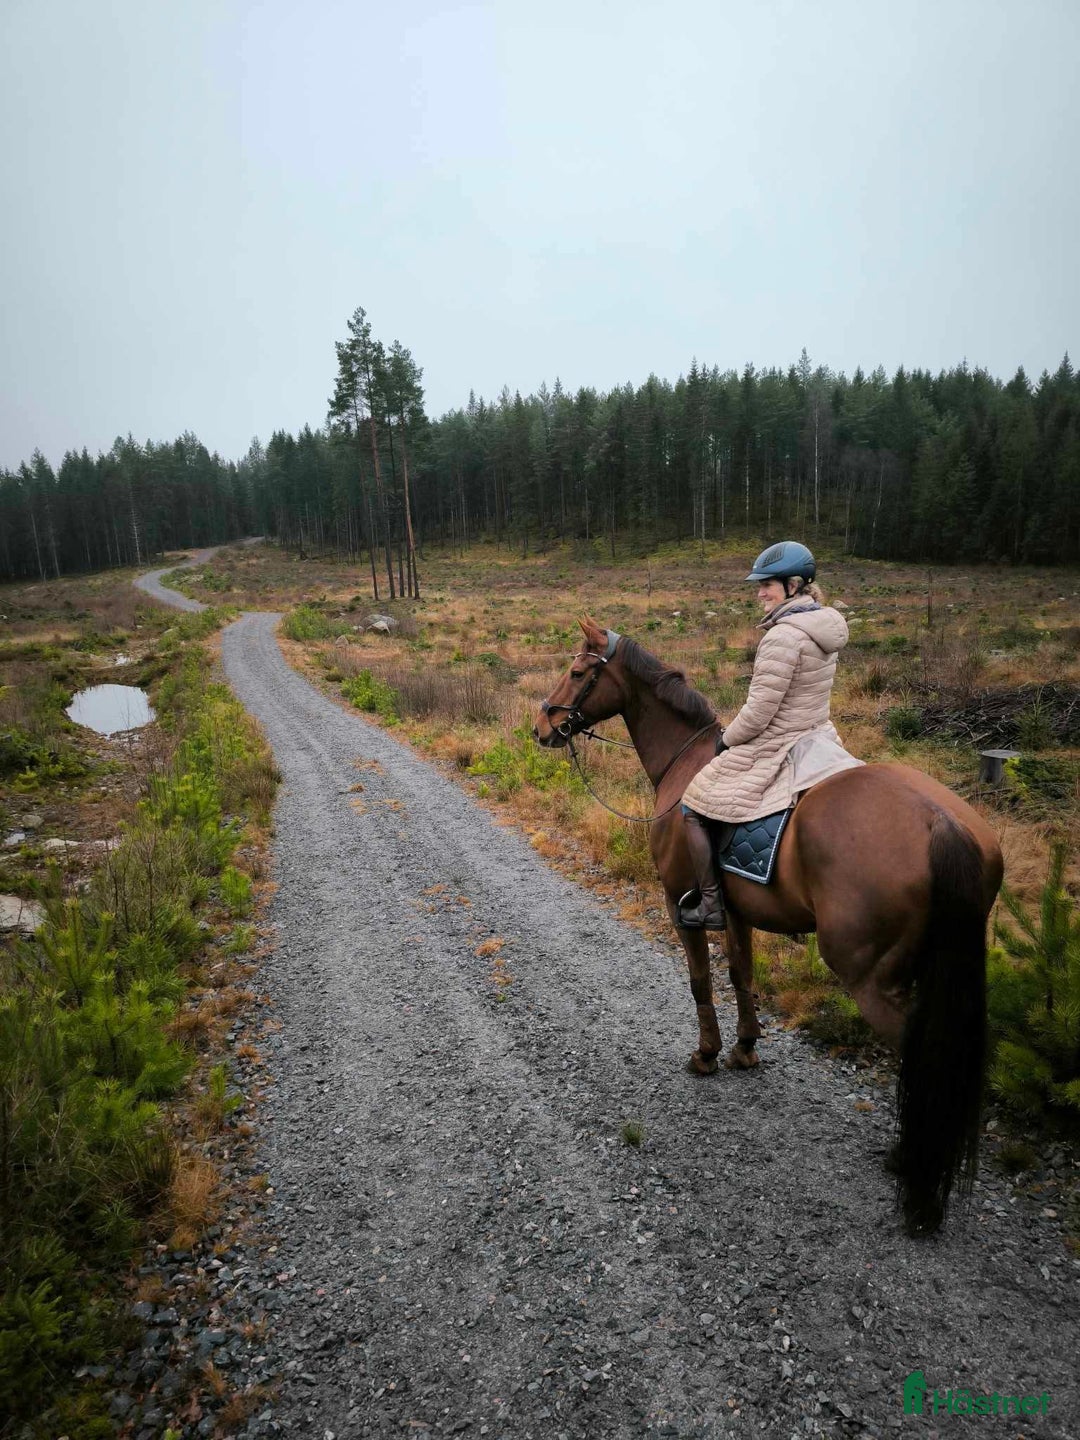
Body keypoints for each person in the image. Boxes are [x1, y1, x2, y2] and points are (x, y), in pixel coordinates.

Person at [678, 540, 853, 930]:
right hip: (820, 736)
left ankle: (710, 905)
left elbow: (759, 713)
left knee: (693, 804)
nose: (759, 593)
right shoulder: (823, 626)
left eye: (767, 585)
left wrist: (726, 739)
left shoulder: (783, 636)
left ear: (793, 585)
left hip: (779, 742)